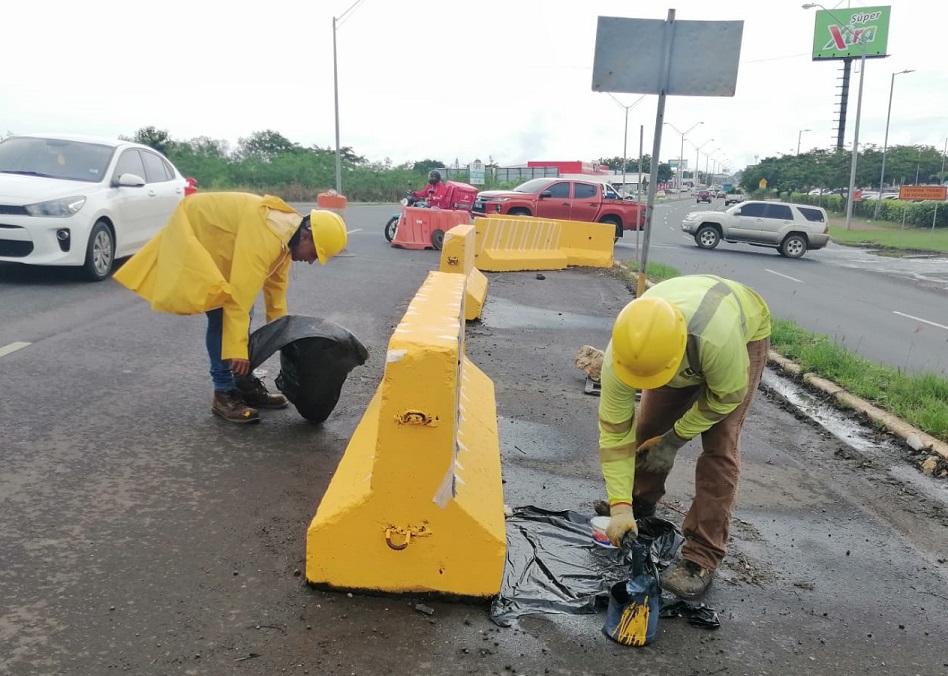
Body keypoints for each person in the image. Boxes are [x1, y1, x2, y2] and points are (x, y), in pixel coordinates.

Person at [597, 274, 771, 598]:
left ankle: (702, 556)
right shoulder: (624, 353)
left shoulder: (718, 341)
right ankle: (637, 506)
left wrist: (675, 439)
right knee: (648, 430)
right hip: (677, 340)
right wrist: (619, 506)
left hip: (739, 337)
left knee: (719, 448)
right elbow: (615, 438)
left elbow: (725, 398)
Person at [113, 192, 348, 424]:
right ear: (307, 237)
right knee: (223, 314)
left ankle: (243, 383)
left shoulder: (285, 236)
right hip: (197, 232)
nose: (310, 261)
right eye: (315, 254)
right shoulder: (265, 237)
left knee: (242, 315)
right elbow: (239, 296)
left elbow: (276, 295)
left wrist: (284, 337)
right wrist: (236, 349)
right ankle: (223, 392)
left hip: (219, 237)